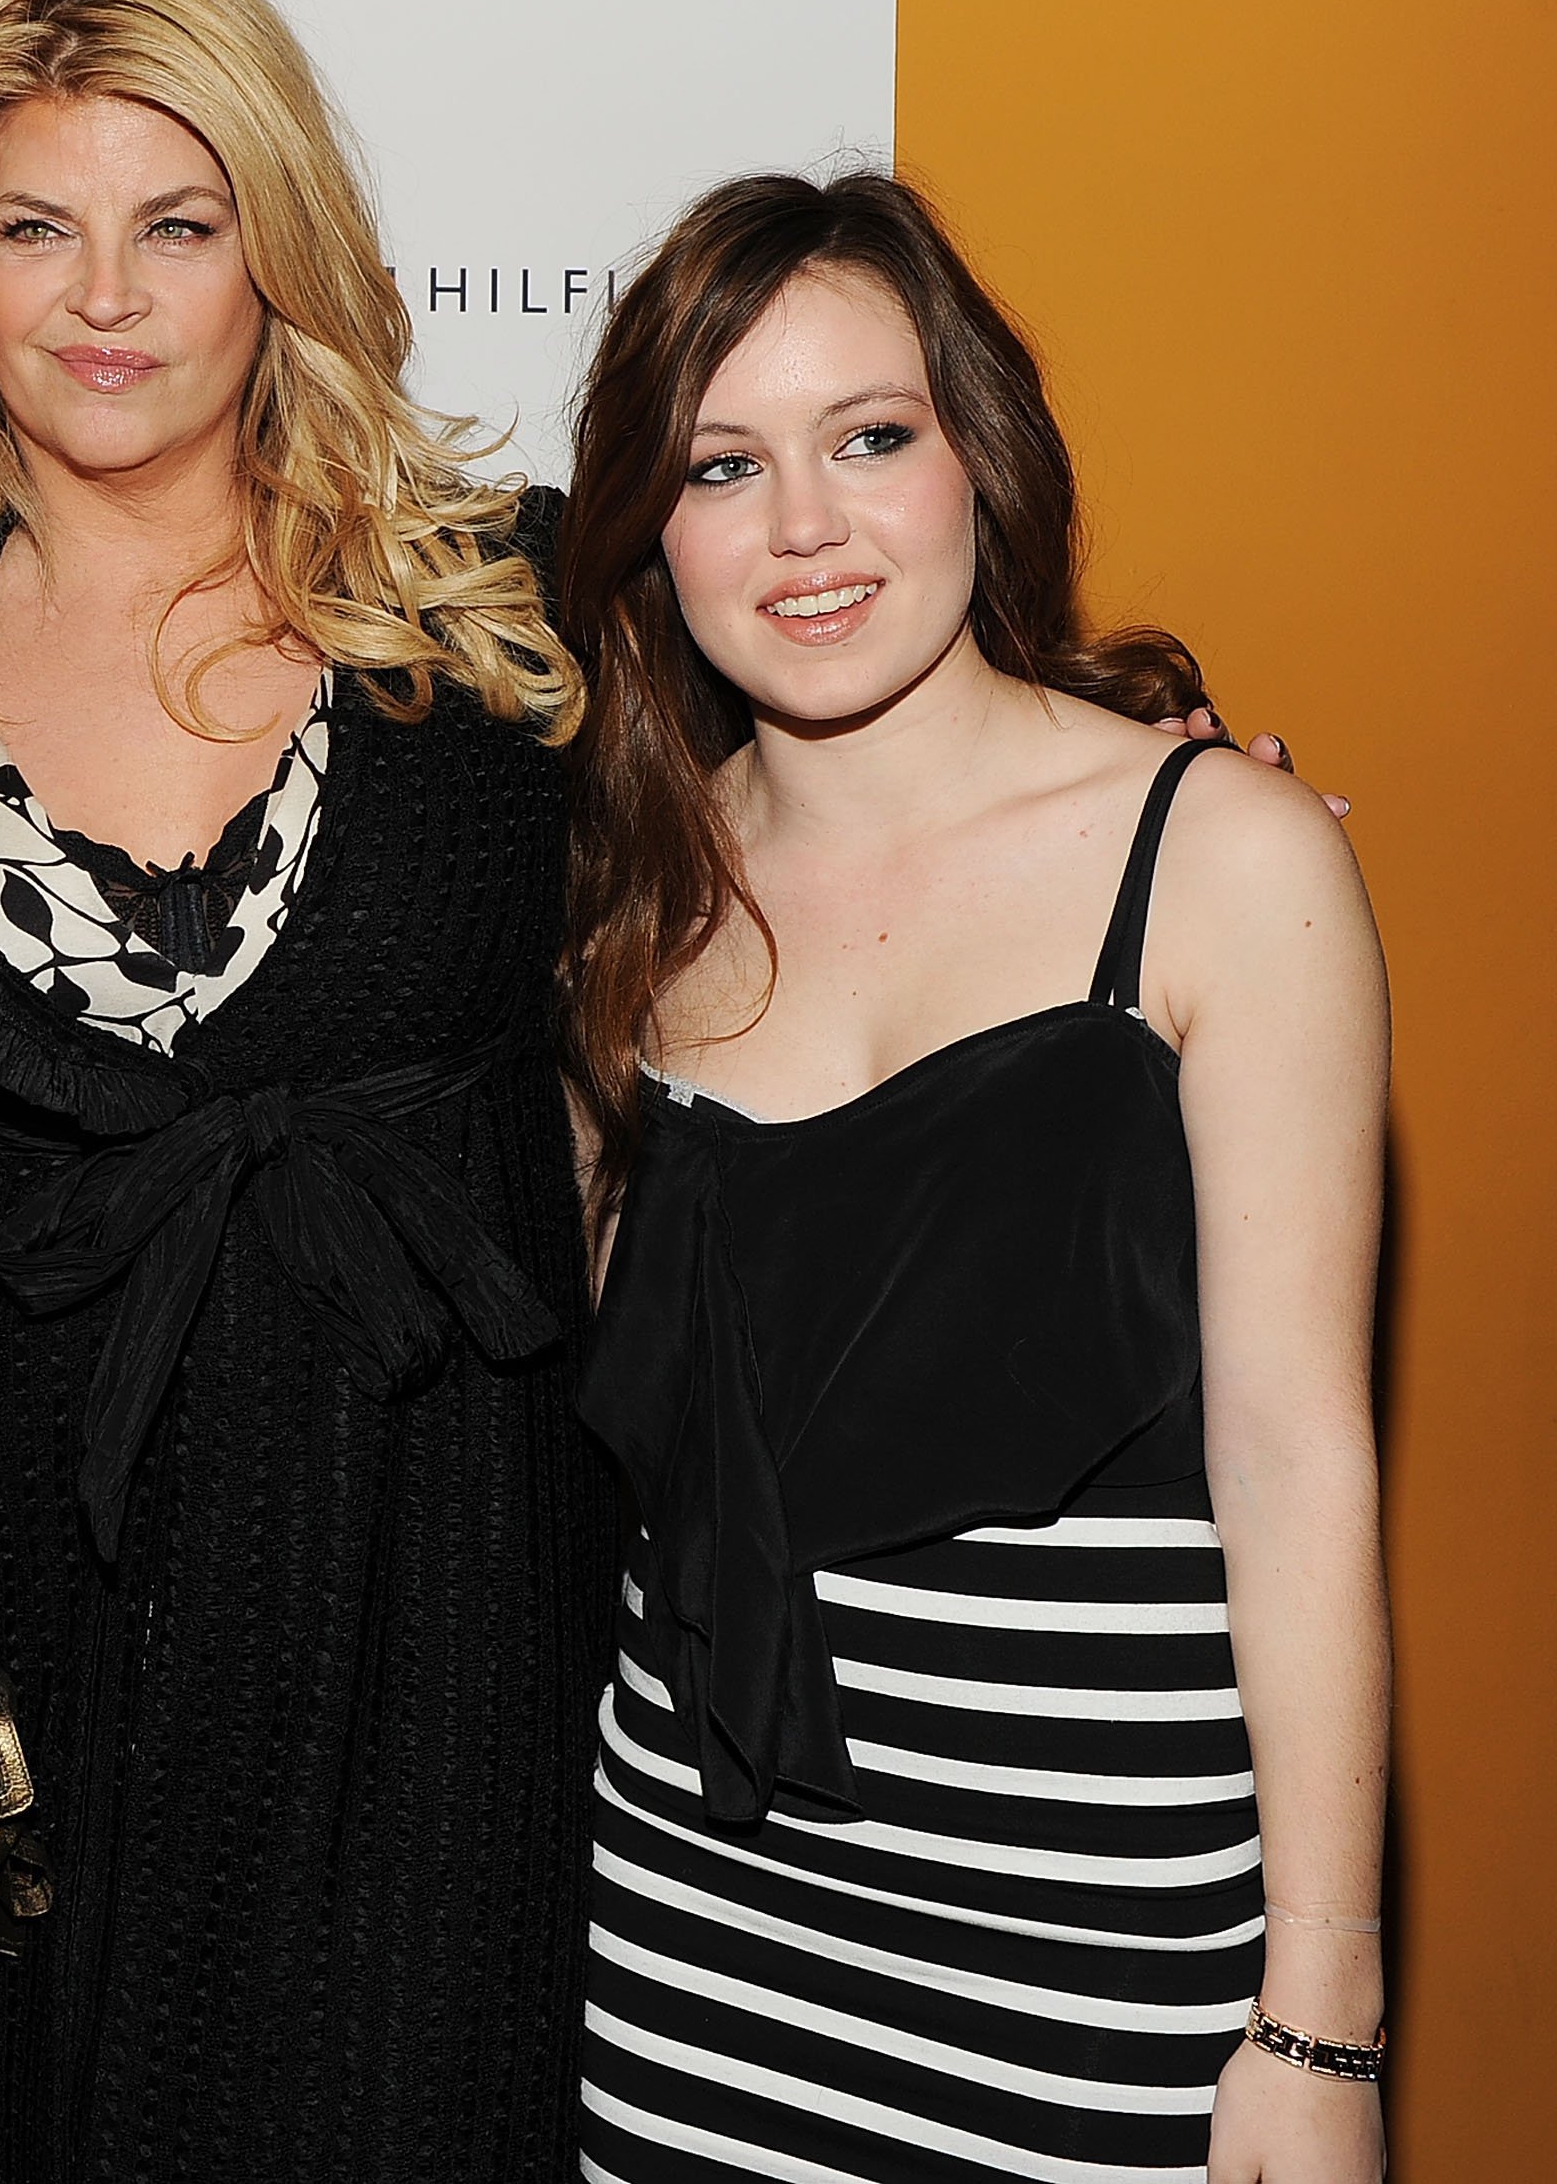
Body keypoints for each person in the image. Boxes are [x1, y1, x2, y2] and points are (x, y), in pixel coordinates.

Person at [0, 0, 618, 2181]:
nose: (105, 297)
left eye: (177, 224)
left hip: (418, 1638)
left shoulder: (511, 622)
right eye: (34, 227)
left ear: (275, 247)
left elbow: (835, 849)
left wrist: (1151, 813)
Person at [555, 173, 1391, 2182]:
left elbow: (1299, 1465)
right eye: (722, 465)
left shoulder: (1222, 859)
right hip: (697, 1953)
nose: (808, 529)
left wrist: (1325, 2026)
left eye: (870, 437)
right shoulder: (622, 919)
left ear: (978, 457)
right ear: (650, 533)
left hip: (1103, 1977)